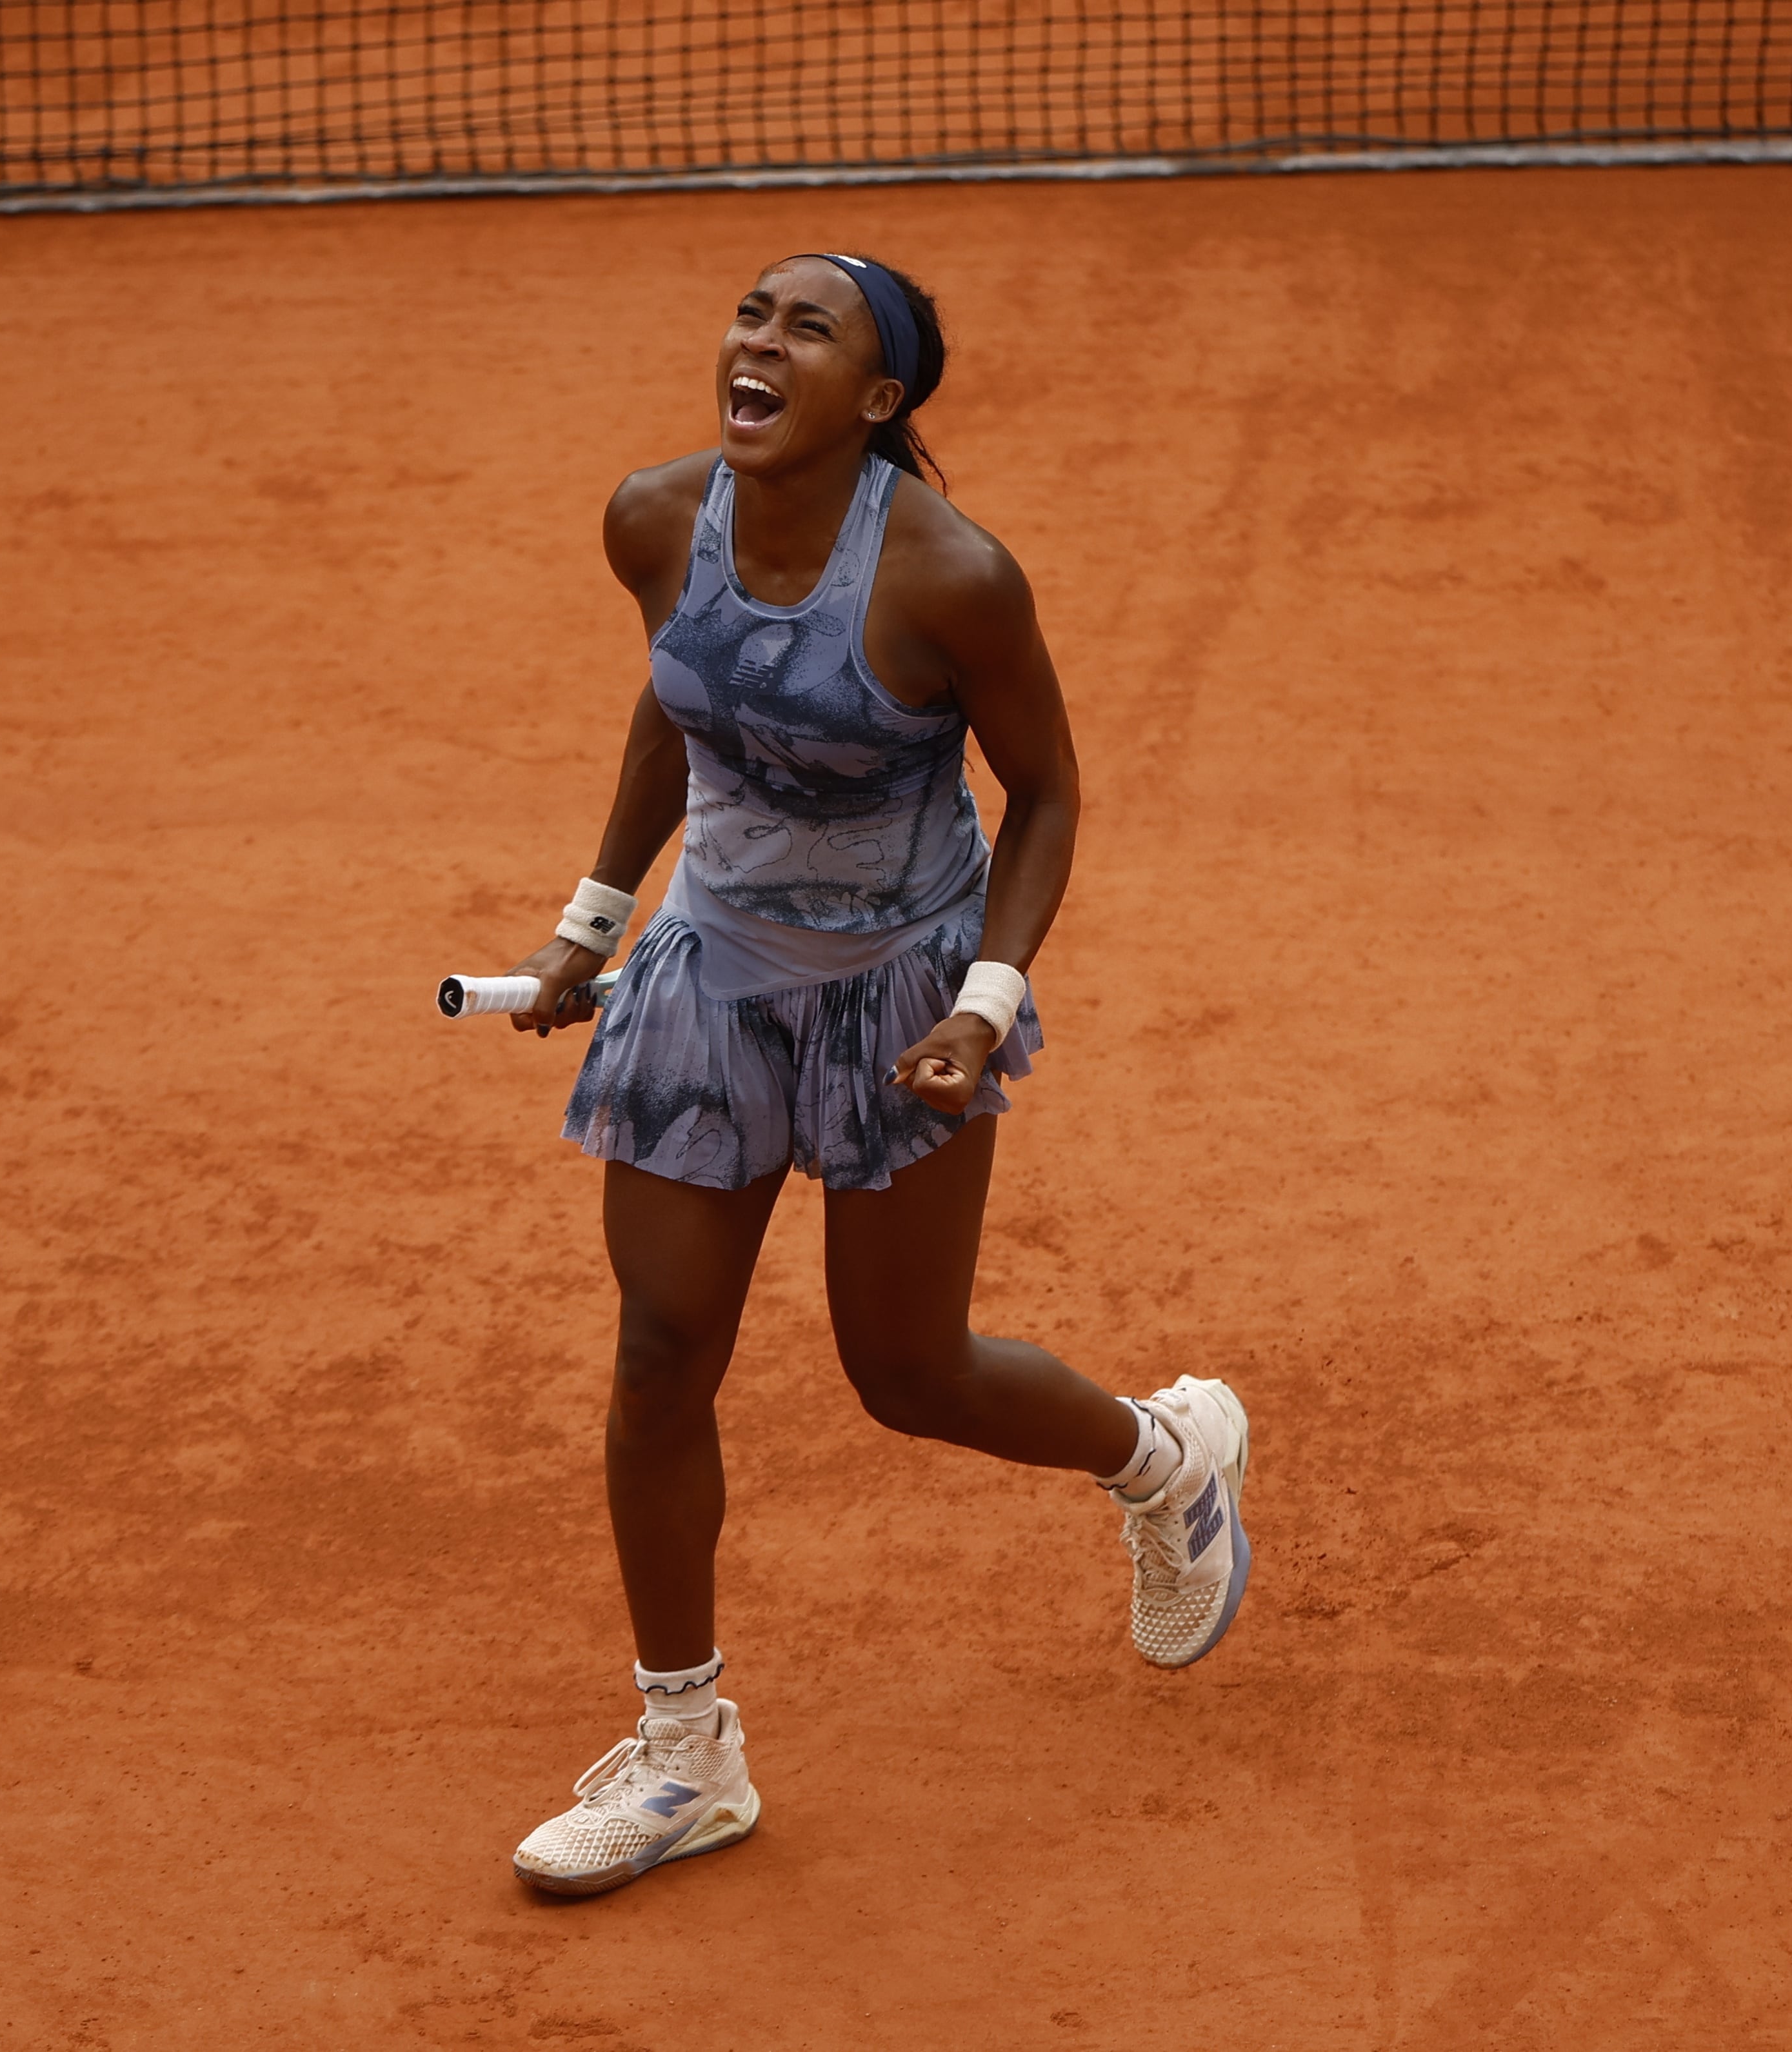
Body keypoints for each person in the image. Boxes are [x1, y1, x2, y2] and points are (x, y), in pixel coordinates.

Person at [498, 253, 1251, 1897]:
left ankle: (1165, 1453)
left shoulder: (951, 577)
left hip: (900, 1001)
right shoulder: (652, 518)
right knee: (658, 1347)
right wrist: (591, 920)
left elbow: (1047, 792)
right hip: (710, 983)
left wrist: (986, 999)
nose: (755, 346)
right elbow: (680, 703)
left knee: (906, 1374)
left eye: (806, 331)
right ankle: (686, 1752)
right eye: (749, 315)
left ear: (882, 400)